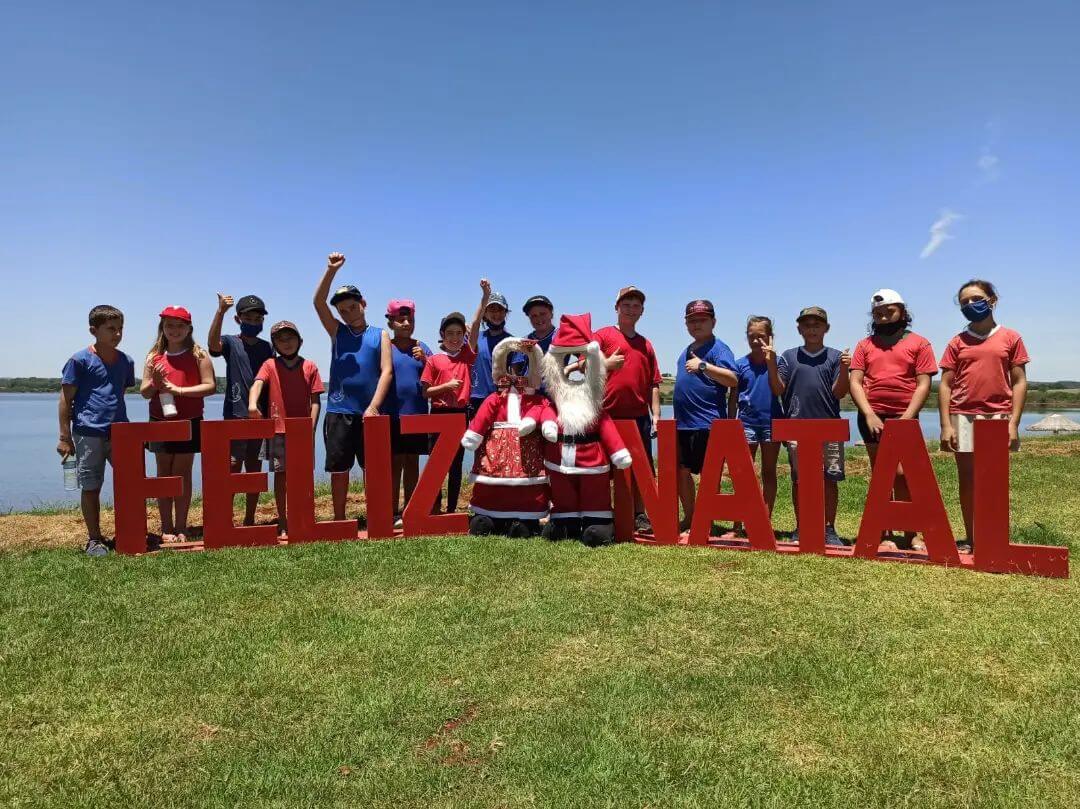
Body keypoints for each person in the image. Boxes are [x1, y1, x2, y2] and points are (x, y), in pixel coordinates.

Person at [938, 279, 1029, 553]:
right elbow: (945, 384)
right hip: (963, 415)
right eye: (964, 302)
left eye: (975, 298)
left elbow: (1019, 382)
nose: (969, 305)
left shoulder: (1011, 338)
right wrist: (945, 424)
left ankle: (994, 538)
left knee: (994, 481)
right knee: (967, 480)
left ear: (992, 300)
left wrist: (1013, 422)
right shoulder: (957, 342)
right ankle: (970, 537)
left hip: (999, 417)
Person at [849, 289, 938, 551]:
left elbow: (923, 384)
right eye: (878, 314)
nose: (884, 318)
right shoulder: (865, 345)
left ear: (902, 311)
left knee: (904, 475)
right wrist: (869, 413)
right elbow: (855, 381)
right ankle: (884, 532)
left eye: (889, 312)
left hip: (905, 417)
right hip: (872, 417)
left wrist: (907, 418)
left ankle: (912, 532)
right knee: (881, 476)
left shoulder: (920, 343)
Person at [314, 252, 393, 522]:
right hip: (339, 410)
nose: (348, 313)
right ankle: (338, 519)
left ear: (363, 304)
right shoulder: (338, 331)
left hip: (369, 413)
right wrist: (330, 271)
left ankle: (375, 517)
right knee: (339, 470)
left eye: (352, 307)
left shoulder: (379, 333)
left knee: (373, 469)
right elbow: (317, 302)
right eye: (342, 310)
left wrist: (373, 407)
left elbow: (387, 371)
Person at [57, 305, 136, 556]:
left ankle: (130, 533)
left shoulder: (126, 361)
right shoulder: (79, 361)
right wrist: (64, 437)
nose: (117, 334)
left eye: (120, 329)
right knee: (91, 486)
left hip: (121, 433)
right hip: (87, 433)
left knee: (130, 484)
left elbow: (118, 395)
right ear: (94, 330)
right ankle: (94, 539)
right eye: (111, 329)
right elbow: (64, 400)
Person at [768, 306, 850, 547]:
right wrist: (772, 364)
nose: (812, 329)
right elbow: (778, 389)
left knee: (830, 479)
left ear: (826, 328)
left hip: (829, 428)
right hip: (796, 428)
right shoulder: (789, 356)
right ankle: (801, 526)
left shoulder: (835, 357)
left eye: (817, 324)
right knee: (799, 480)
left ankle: (829, 528)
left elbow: (840, 392)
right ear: (799, 328)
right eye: (807, 325)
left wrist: (845, 367)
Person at [140, 306, 216, 544]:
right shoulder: (153, 356)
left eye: (180, 325)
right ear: (162, 327)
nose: (175, 330)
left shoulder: (198, 354)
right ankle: (166, 527)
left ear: (189, 328)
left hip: (189, 421)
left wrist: (178, 390)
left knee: (182, 474)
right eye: (170, 325)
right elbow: (144, 392)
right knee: (163, 475)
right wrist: (155, 382)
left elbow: (210, 386)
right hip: (159, 421)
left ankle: (182, 525)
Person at [593, 286, 662, 534]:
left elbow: (654, 383)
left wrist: (656, 416)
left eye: (636, 306)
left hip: (639, 418)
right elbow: (581, 364)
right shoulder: (602, 336)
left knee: (640, 470)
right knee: (602, 469)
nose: (631, 309)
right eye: (626, 304)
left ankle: (640, 514)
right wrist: (606, 363)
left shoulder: (646, 345)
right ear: (617, 307)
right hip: (606, 416)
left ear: (642, 311)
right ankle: (603, 513)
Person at [248, 321, 324, 535]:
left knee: (303, 477)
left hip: (302, 430)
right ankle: (283, 519)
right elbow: (258, 384)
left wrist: (311, 425)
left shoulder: (310, 366)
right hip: (278, 430)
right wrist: (252, 404)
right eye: (280, 339)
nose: (286, 343)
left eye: (290, 338)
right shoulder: (270, 365)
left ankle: (304, 517)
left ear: (300, 341)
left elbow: (316, 400)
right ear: (274, 344)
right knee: (281, 476)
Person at [207, 292, 273, 527]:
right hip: (234, 414)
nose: (254, 323)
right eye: (249, 318)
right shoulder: (231, 343)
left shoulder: (268, 348)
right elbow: (213, 345)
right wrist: (220, 311)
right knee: (232, 467)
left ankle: (249, 518)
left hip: (260, 416)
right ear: (238, 319)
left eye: (258, 320)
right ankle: (226, 517)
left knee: (254, 468)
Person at [420, 280, 486, 512]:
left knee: (456, 464)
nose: (455, 338)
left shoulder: (467, 356)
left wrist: (484, 297)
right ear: (442, 335)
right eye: (450, 334)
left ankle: (451, 510)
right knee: (436, 464)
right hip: (437, 414)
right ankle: (434, 507)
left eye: (459, 333)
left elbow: (477, 324)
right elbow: (425, 392)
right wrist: (446, 387)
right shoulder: (434, 360)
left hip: (459, 415)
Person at [672, 300, 737, 532]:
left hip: (707, 424)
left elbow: (732, 379)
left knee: (710, 477)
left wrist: (703, 366)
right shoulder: (685, 351)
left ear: (713, 322)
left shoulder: (719, 349)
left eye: (702, 320)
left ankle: (705, 521)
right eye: (692, 320)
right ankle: (690, 517)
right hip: (683, 426)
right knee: (681, 472)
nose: (696, 324)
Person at [728, 316, 784, 533]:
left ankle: (764, 522)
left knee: (769, 472)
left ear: (770, 337)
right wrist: (731, 423)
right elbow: (733, 397)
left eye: (760, 336)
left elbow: (780, 390)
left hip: (772, 423)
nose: (756, 341)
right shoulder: (740, 364)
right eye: (752, 337)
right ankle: (738, 523)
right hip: (746, 424)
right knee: (745, 475)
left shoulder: (779, 363)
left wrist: (771, 362)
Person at [383, 299, 432, 528]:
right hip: (391, 415)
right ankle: (391, 510)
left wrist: (425, 359)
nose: (406, 324)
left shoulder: (422, 347)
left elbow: (437, 372)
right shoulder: (385, 347)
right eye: (400, 320)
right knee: (394, 463)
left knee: (412, 462)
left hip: (417, 415)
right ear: (391, 322)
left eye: (410, 320)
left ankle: (410, 509)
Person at [469, 287, 513, 419]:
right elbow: (475, 323)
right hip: (475, 398)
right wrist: (485, 296)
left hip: (501, 399)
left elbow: (515, 375)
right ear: (484, 314)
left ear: (506, 313)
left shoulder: (513, 342)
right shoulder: (475, 337)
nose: (496, 314)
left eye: (500, 309)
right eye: (492, 310)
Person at [521, 294, 558, 394]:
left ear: (551, 314)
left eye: (543, 314)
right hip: (529, 397)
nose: (539, 318)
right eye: (533, 316)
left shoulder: (562, 336)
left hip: (555, 396)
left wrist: (567, 369)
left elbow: (582, 358)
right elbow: (516, 370)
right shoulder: (525, 340)